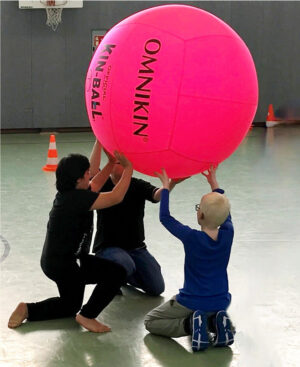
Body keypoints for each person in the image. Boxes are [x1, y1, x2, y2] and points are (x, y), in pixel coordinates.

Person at [8, 151, 133, 333]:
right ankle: (88, 316)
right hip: (65, 265)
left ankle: (28, 309)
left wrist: (111, 163)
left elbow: (96, 185)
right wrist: (128, 168)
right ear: (79, 179)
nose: (90, 175)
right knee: (116, 273)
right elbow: (116, 197)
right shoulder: (76, 200)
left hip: (59, 261)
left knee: (69, 306)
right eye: (87, 173)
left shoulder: (70, 194)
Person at [144, 166, 235, 352]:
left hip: (191, 301)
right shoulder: (228, 233)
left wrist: (166, 188)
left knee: (151, 322)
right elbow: (224, 211)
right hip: (221, 300)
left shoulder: (191, 237)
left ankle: (190, 325)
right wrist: (214, 184)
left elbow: (165, 218)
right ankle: (214, 322)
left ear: (199, 215)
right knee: (211, 311)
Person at [89, 140, 185, 296]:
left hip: (136, 248)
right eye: (117, 162)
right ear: (110, 165)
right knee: (124, 262)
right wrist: (100, 138)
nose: (119, 165)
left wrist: (171, 184)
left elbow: (156, 196)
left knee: (156, 288)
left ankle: (123, 277)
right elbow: (93, 171)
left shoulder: (136, 185)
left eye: (123, 163)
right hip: (108, 248)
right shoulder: (103, 184)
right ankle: (111, 277)